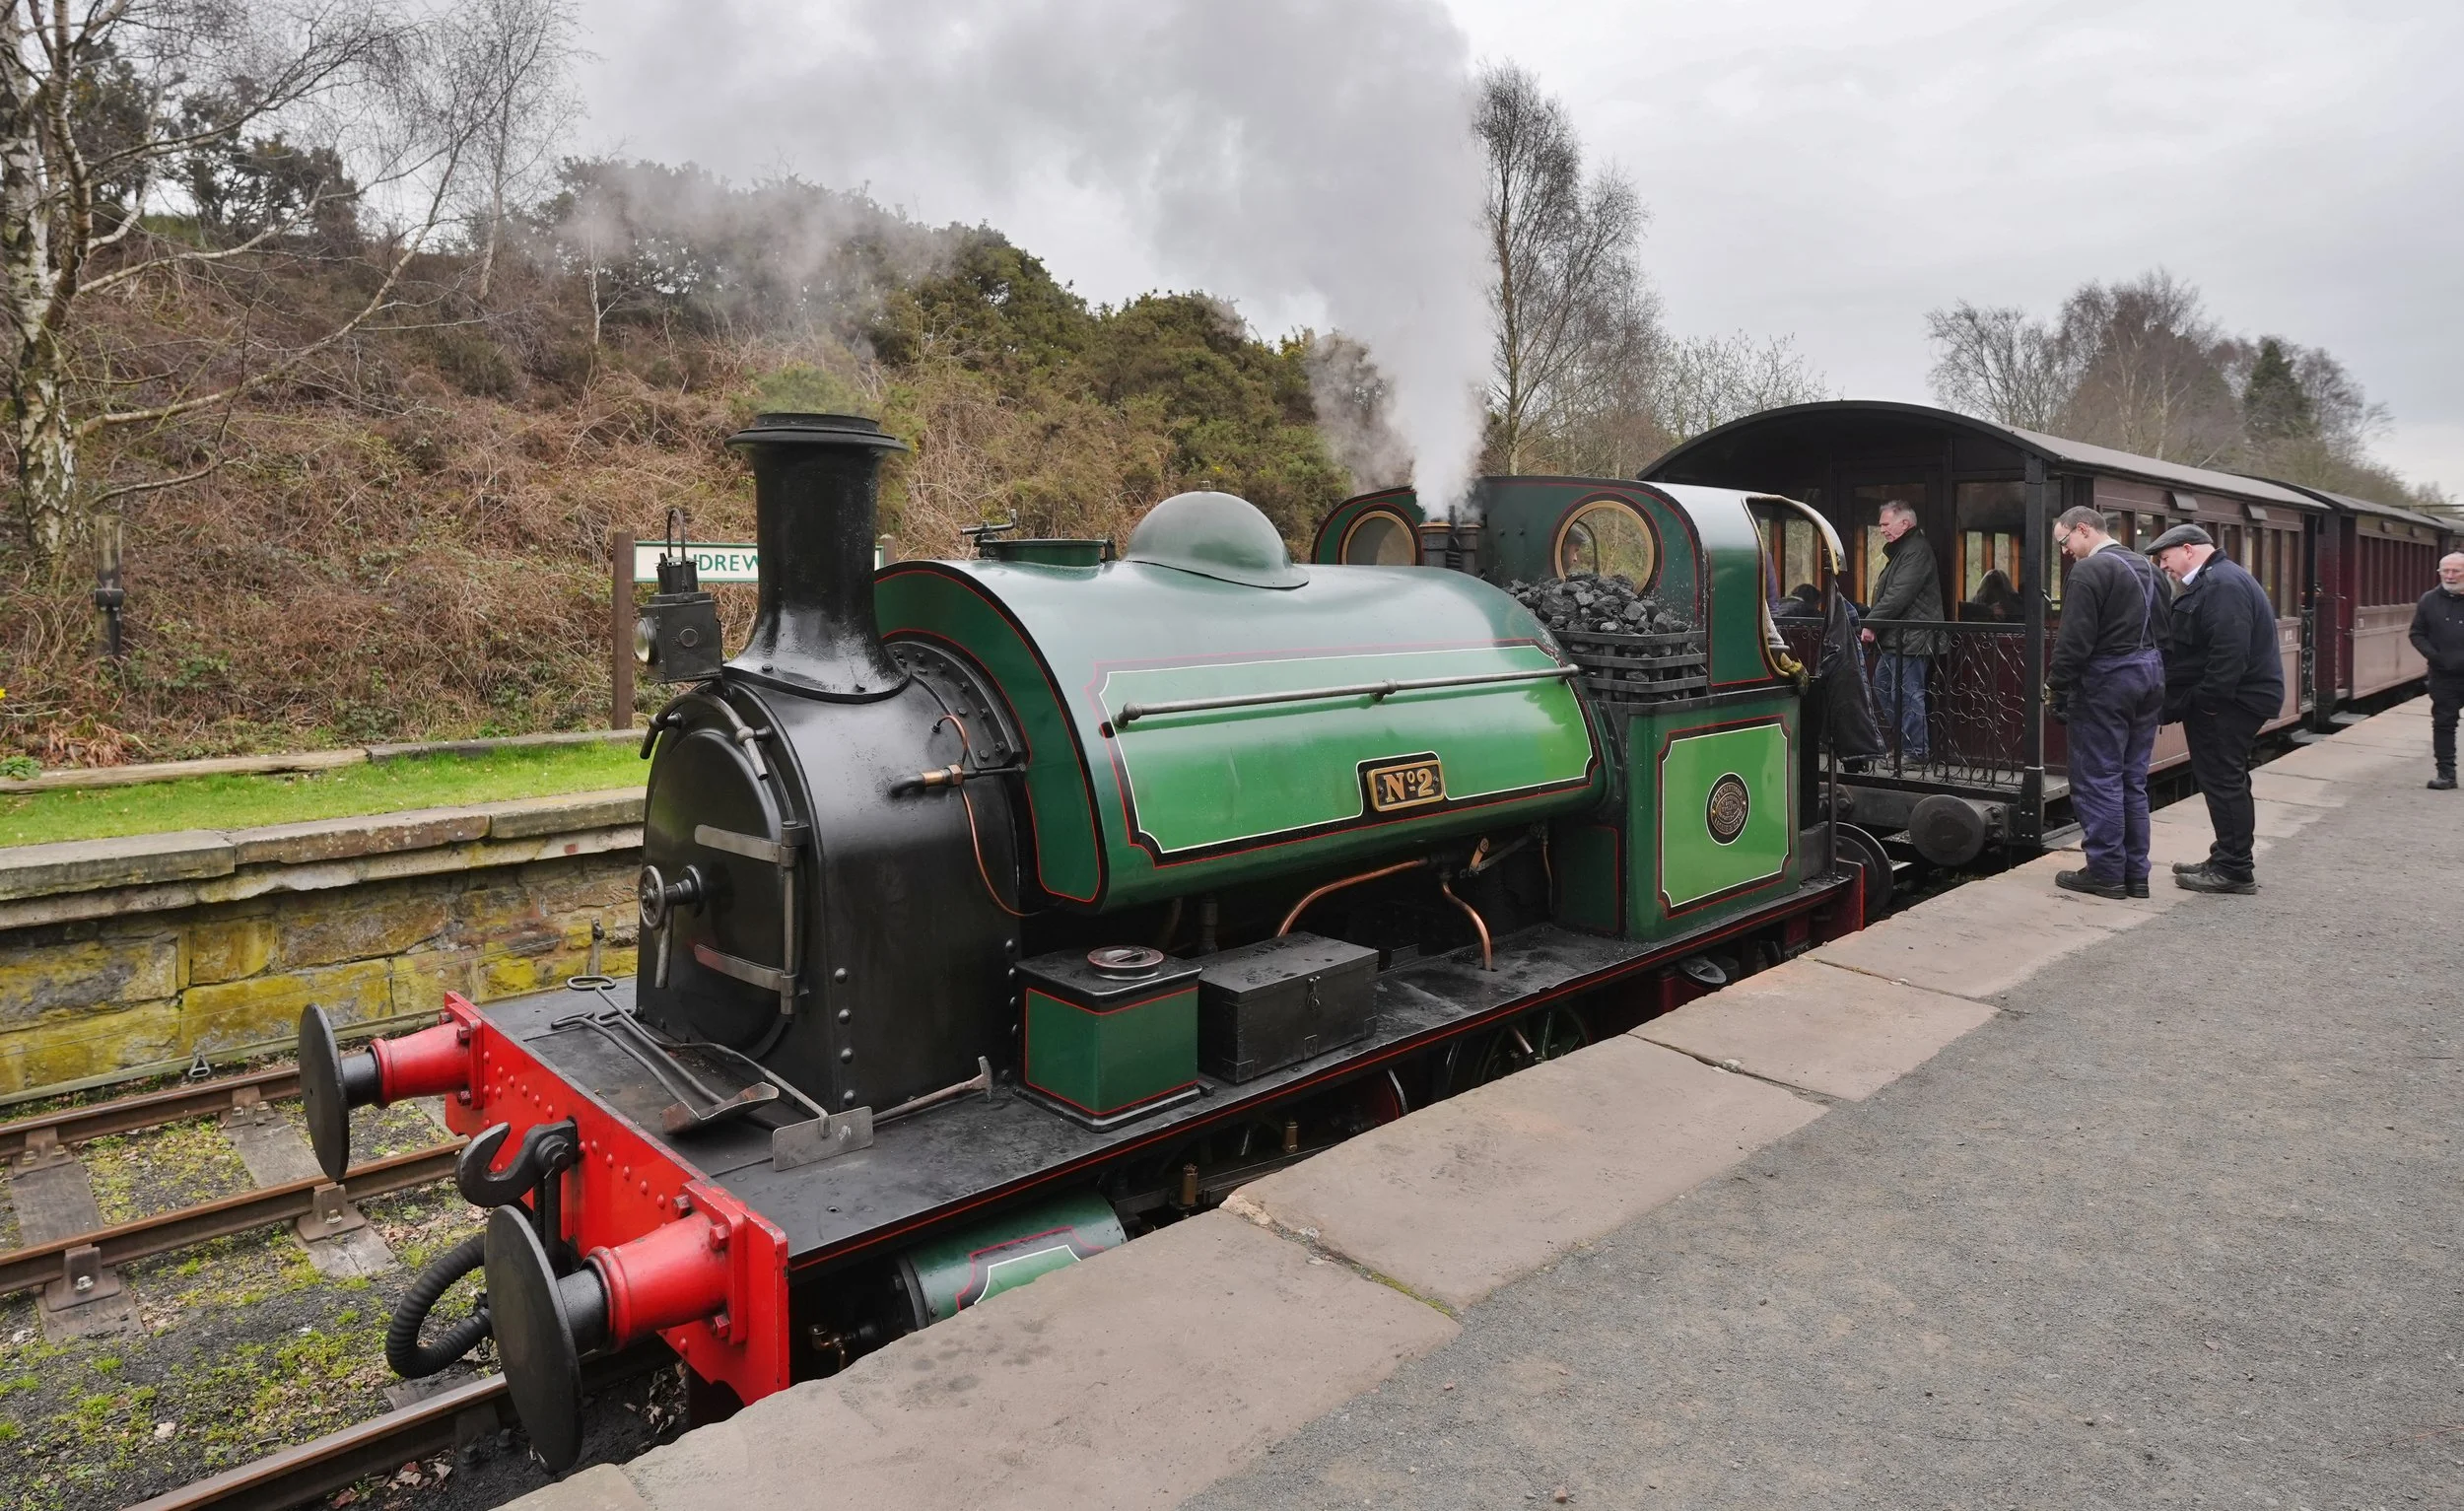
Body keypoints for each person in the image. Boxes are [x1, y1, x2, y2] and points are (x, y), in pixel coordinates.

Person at [2150, 523, 2283, 894]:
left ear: (2188, 550)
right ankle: (2226, 856)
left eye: (2166, 557)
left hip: (2230, 703)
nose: (2164, 567)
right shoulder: (2218, 580)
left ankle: (2235, 869)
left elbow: (2229, 654)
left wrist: (2207, 703)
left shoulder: (2222, 585)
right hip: (2232, 701)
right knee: (2226, 780)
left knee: (2223, 782)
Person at [2047, 508, 2170, 899]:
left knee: (2098, 777)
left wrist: (2057, 687)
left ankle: (2105, 871)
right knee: (2132, 779)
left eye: (2065, 542)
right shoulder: (2150, 569)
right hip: (2150, 675)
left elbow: (2075, 640)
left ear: (2083, 530)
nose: (2066, 552)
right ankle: (2136, 874)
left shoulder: (2089, 572)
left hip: (2108, 679)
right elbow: (2166, 631)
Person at [1860, 501, 1946, 766]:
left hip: (1912, 640)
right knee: (1884, 687)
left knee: (1907, 694)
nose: (1881, 529)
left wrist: (1871, 622)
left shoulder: (1915, 551)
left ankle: (1915, 751)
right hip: (1900, 638)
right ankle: (1906, 747)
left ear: (1904, 523)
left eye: (1885, 524)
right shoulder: (1904, 550)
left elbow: (1898, 595)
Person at [2408, 552, 2464, 790]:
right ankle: (2446, 774)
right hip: (2444, 674)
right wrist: (2435, 656)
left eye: (2456, 571)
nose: (2450, 576)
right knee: (2443, 723)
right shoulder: (2428, 600)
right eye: (2445, 571)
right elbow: (2416, 633)